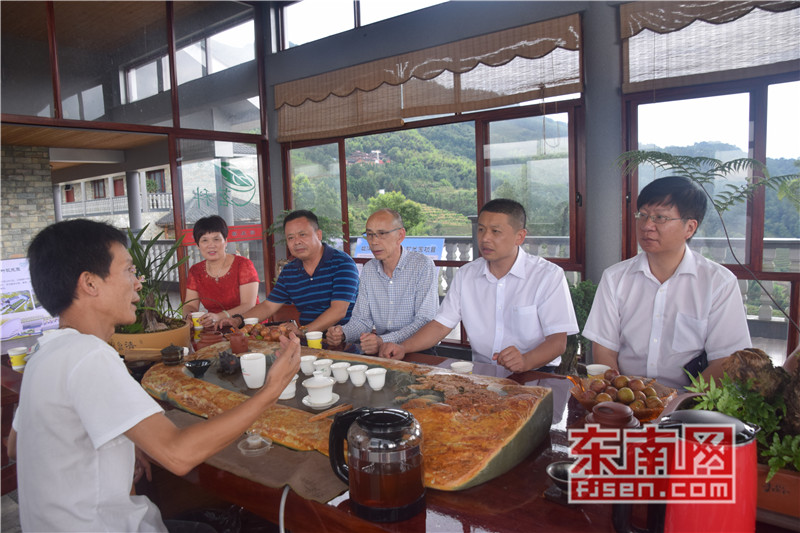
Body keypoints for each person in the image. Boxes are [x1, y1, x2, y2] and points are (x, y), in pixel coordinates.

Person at [8, 219, 300, 532]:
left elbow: (15, 445)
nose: (138, 283)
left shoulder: (44, 351)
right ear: (90, 284)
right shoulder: (89, 356)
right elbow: (178, 455)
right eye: (129, 271)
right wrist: (271, 390)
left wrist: (125, 440)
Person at [582, 176, 752, 389]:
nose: (647, 226)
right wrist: (622, 394)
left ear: (690, 227)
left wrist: (681, 402)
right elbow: (604, 349)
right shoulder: (615, 278)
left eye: (660, 218)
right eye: (642, 215)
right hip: (626, 397)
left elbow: (725, 360)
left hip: (688, 399)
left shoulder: (718, 283)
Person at [380, 199, 578, 373]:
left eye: (495, 231)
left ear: (520, 236)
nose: (485, 238)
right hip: (482, 372)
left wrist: (526, 361)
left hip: (535, 373)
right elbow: (440, 325)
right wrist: (403, 347)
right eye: (481, 230)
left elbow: (558, 341)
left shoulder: (547, 275)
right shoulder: (467, 275)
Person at [219, 210, 359, 336]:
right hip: (306, 342)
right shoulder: (290, 271)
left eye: (302, 235)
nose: (296, 242)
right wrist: (238, 320)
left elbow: (338, 311)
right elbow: (268, 306)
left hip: (344, 341)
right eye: (290, 238)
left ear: (318, 235)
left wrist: (303, 331)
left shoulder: (342, 263)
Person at [326, 209, 438, 354]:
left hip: (418, 349)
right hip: (382, 350)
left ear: (400, 235)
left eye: (382, 234)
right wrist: (342, 333)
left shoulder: (422, 265)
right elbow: (362, 320)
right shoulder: (369, 269)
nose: (374, 242)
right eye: (370, 234)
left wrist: (383, 340)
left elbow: (424, 321)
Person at [182, 215, 260, 329]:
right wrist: (188, 316)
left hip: (247, 326)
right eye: (204, 240)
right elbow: (190, 305)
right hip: (215, 328)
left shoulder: (243, 265)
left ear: (225, 241)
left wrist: (219, 316)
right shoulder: (195, 271)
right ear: (198, 245)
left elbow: (249, 305)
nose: (211, 245)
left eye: (216, 239)